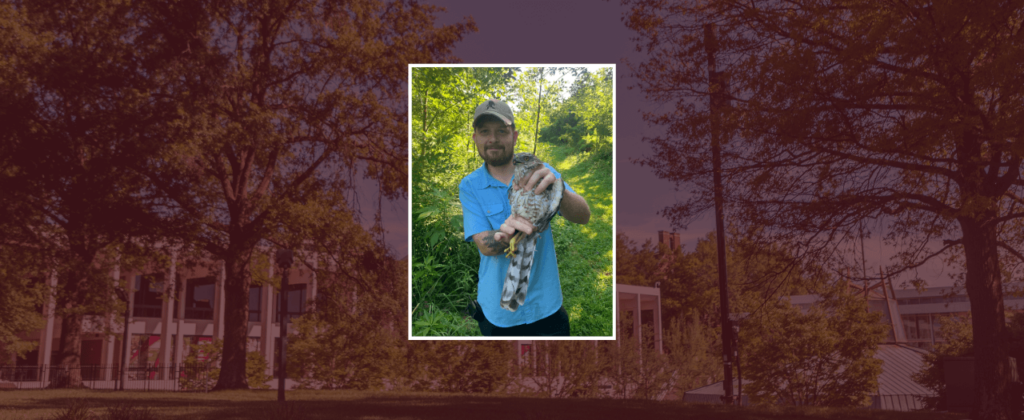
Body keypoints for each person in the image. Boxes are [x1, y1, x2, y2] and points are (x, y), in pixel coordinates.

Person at [458, 98, 591, 336]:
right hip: (498, 314)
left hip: (546, 304)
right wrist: (512, 234)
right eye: (484, 132)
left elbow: (584, 216)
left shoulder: (542, 171)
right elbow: (484, 245)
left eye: (502, 131)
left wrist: (558, 190)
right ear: (475, 138)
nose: (493, 139)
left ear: (515, 136)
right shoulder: (470, 185)